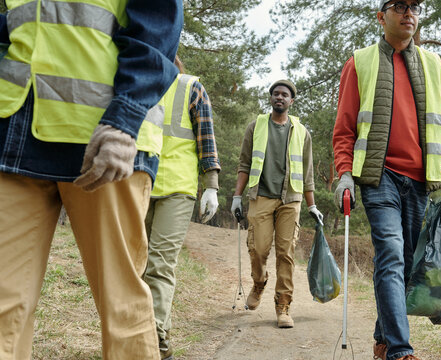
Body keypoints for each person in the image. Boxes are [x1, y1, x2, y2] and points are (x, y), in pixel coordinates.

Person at [0, 1, 182, 359]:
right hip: (14, 132)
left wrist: (125, 118)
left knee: (121, 304)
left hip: (106, 138)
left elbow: (158, 28)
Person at [332, 1, 441, 359]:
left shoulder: (436, 67)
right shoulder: (359, 62)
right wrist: (344, 174)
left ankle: (381, 338)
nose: (409, 13)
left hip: (420, 180)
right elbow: (344, 128)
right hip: (379, 177)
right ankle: (400, 350)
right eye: (400, 6)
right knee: (391, 254)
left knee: (403, 264)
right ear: (381, 16)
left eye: (415, 7)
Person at [143, 56, 221, 360]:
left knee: (159, 263)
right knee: (136, 263)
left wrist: (211, 185)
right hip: (137, 181)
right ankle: (144, 331)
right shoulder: (138, 79)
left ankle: (157, 341)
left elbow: (206, 139)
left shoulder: (191, 87)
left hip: (177, 188)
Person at [230, 80, 324, 328]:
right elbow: (244, 164)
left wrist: (312, 205)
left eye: (284, 95)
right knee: (258, 250)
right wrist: (236, 197)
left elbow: (308, 173)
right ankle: (259, 283)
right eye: (276, 94)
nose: (279, 97)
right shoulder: (256, 126)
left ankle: (283, 306)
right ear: (271, 98)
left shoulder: (302, 132)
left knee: (286, 253)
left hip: (290, 200)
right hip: (260, 196)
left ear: (291, 101)